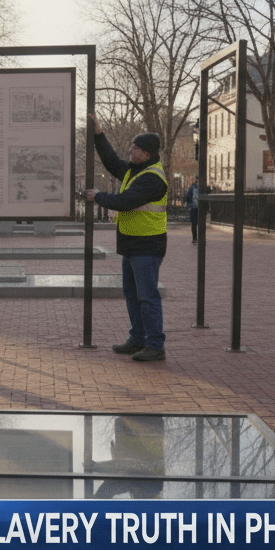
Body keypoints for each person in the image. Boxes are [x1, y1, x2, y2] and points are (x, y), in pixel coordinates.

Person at [84, 112, 168, 362]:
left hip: (147, 246)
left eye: (135, 147)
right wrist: (98, 133)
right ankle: (138, 339)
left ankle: (155, 345)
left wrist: (97, 195)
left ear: (147, 154)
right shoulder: (135, 171)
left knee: (147, 297)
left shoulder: (153, 178)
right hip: (132, 245)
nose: (130, 150)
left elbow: (123, 202)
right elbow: (111, 161)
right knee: (132, 295)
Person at [184, 178, 200, 245]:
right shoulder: (192, 187)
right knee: (193, 223)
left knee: (200, 224)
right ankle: (194, 238)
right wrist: (189, 204)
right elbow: (188, 196)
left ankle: (200, 238)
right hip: (193, 207)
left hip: (200, 208)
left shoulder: (202, 187)